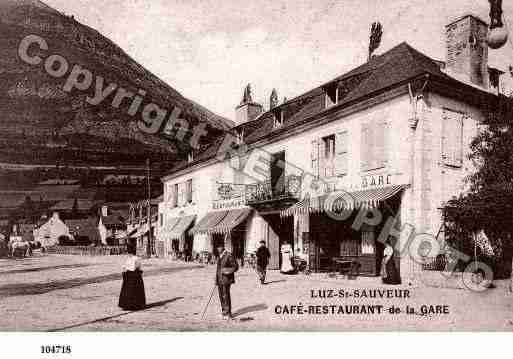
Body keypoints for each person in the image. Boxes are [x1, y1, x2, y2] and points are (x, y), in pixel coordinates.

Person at [119, 241, 146, 310]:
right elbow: (124, 266)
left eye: (129, 252)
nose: (128, 254)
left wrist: (127, 269)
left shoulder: (136, 258)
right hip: (128, 276)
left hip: (134, 276)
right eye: (128, 252)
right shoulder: (128, 258)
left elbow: (135, 267)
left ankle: (135, 305)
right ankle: (127, 305)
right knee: (127, 291)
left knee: (133, 291)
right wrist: (124, 270)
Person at [215, 242, 239, 319]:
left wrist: (226, 270)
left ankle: (228, 313)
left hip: (226, 279)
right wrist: (216, 279)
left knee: (226, 295)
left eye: (219, 247)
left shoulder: (229, 255)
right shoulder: (220, 256)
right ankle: (224, 312)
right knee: (221, 296)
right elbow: (218, 269)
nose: (218, 249)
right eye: (217, 247)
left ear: (223, 247)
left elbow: (235, 267)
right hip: (220, 279)